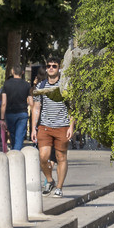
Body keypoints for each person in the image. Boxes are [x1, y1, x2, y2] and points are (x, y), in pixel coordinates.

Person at [34, 56, 72, 195]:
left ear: (59, 68)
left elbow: (72, 107)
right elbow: (36, 107)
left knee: (61, 157)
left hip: (63, 126)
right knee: (43, 157)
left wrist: (72, 126)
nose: (51, 68)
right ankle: (50, 180)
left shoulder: (65, 85)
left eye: (54, 66)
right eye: (49, 66)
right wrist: (33, 128)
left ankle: (59, 188)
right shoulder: (41, 86)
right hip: (45, 126)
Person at [0, 67, 30, 150]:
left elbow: (4, 103)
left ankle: (15, 152)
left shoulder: (6, 84)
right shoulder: (27, 85)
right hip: (22, 112)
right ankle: (16, 153)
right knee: (19, 136)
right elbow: (31, 102)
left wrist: (2, 118)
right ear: (22, 72)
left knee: (12, 135)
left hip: (10, 113)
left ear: (12, 72)